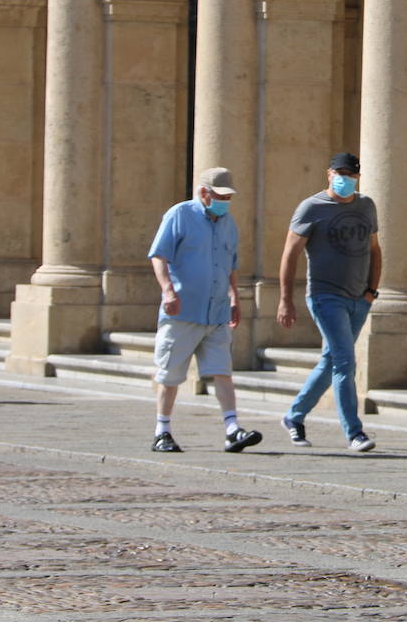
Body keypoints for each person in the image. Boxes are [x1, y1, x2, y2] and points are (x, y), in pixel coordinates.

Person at [146, 167, 262, 454]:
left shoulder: (228, 223)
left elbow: (230, 264)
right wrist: (168, 290)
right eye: (220, 196)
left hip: (217, 312)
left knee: (222, 372)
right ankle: (162, 431)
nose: (225, 201)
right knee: (169, 374)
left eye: (228, 197)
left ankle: (232, 429)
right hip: (183, 310)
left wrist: (235, 297)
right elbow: (159, 256)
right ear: (203, 193)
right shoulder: (179, 215)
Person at [276, 152, 380, 452]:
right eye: (340, 172)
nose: (344, 178)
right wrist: (286, 300)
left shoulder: (366, 205)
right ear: (329, 173)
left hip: (359, 298)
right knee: (345, 361)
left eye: (351, 174)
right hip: (325, 296)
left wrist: (371, 291)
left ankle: (294, 416)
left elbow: (375, 249)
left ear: (357, 177)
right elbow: (290, 254)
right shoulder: (311, 207)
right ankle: (355, 433)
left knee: (332, 360)